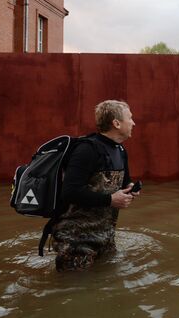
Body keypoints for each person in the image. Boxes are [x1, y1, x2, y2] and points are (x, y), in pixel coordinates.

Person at [52, 100, 139, 271]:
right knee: (72, 290)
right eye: (130, 118)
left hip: (105, 237)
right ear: (116, 123)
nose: (134, 123)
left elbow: (123, 182)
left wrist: (129, 189)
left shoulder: (120, 150)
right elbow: (69, 192)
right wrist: (110, 199)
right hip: (76, 240)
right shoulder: (87, 149)